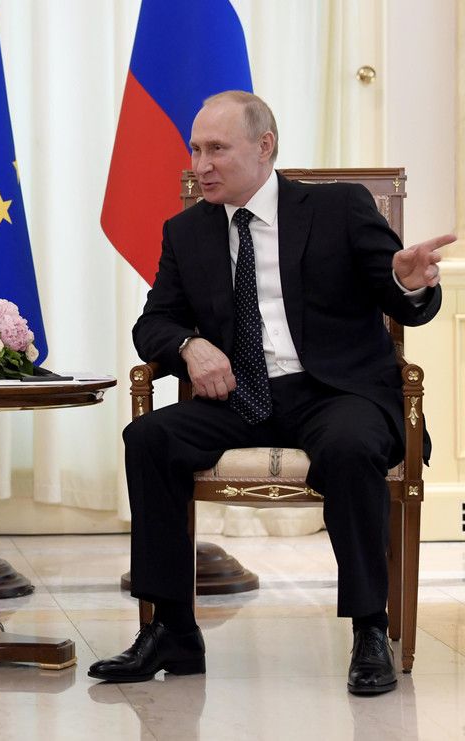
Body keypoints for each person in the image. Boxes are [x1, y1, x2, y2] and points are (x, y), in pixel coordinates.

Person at [88, 90, 453, 696]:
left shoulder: (338, 208)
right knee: (149, 438)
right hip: (242, 395)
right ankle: (172, 630)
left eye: (216, 149)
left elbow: (401, 300)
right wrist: (189, 346)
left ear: (265, 146)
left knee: (349, 446)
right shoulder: (186, 231)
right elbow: (153, 323)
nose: (200, 165)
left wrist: (408, 283)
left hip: (336, 391)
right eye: (195, 150)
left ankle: (369, 628)